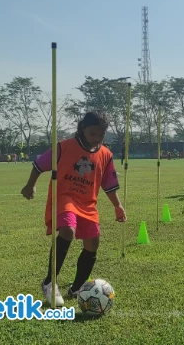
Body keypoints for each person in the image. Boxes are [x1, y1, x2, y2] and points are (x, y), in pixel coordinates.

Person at [21, 110, 126, 306]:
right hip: (65, 198)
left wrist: (118, 206)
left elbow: (109, 185)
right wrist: (30, 185)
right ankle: (49, 282)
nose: (96, 139)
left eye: (101, 135)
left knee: (93, 243)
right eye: (92, 134)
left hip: (88, 203)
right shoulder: (64, 147)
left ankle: (77, 287)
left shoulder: (106, 155)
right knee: (68, 231)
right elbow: (38, 165)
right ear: (83, 129)